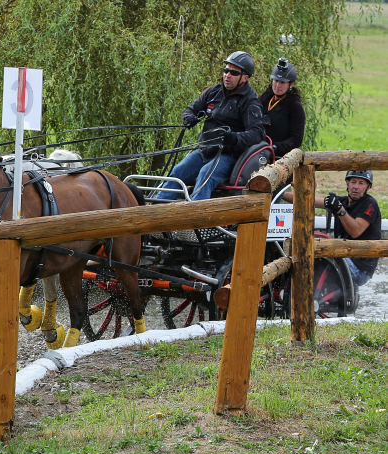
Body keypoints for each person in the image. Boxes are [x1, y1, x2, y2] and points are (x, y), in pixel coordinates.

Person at [156, 51, 265, 201]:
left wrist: (234, 138)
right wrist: (189, 118)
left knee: (205, 176)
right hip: (204, 151)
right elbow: (190, 110)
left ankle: (198, 221)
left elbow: (257, 133)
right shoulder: (214, 92)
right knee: (178, 171)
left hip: (228, 156)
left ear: (245, 78)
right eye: (226, 70)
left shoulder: (250, 101)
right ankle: (156, 212)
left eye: (233, 72)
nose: (227, 75)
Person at [283, 170, 382, 286]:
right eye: (353, 182)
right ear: (347, 184)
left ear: (368, 187)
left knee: (319, 256)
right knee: (307, 255)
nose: (356, 187)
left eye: (361, 183)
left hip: (360, 268)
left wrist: (340, 210)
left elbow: (356, 231)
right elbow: (306, 200)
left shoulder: (370, 204)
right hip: (342, 256)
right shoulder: (342, 201)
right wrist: (279, 194)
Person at [258, 58, 305, 158]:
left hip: (280, 158)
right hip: (257, 152)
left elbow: (296, 139)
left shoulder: (295, 106)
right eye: (276, 81)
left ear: (291, 84)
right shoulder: (263, 99)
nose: (278, 86)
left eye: (282, 82)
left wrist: (275, 147)